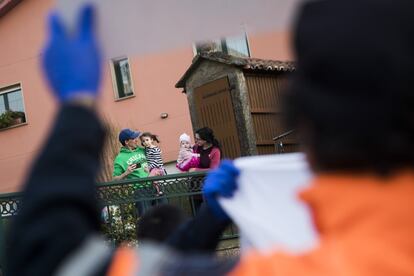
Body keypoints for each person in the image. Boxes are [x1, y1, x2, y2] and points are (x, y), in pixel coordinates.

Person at [140, 132, 166, 196]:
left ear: (151, 140)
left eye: (147, 140)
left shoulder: (154, 149)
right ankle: (157, 192)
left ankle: (160, 189)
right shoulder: (147, 149)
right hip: (153, 168)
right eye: (143, 141)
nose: (145, 142)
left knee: (150, 178)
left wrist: (149, 167)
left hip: (158, 168)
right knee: (154, 181)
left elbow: (156, 161)